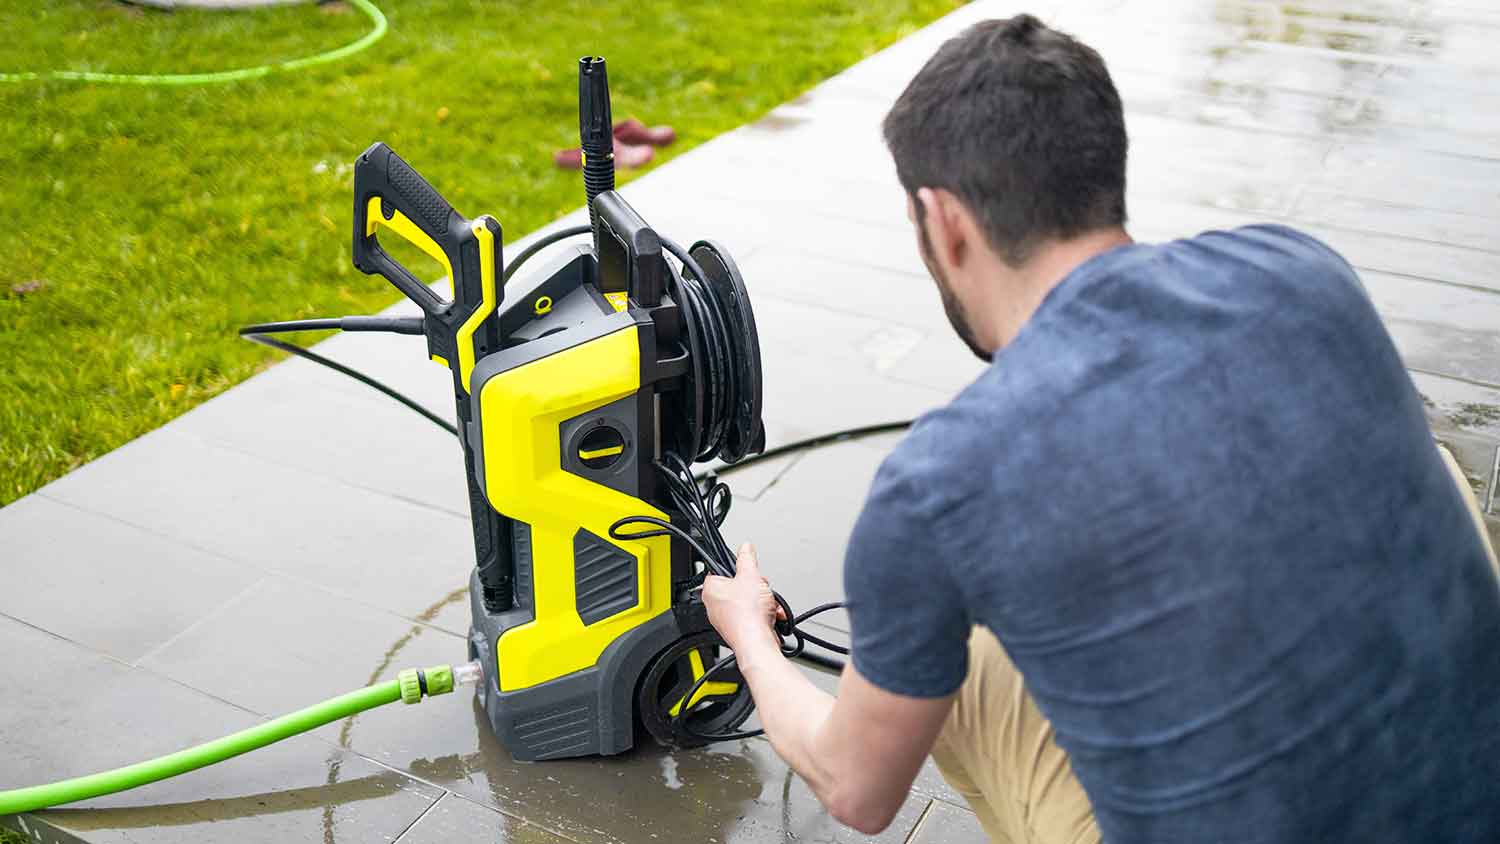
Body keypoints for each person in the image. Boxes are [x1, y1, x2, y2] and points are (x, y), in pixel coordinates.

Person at [701, 13, 1500, 844]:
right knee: (1430, 459)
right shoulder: (1302, 269)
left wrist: (751, 634)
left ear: (943, 221)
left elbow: (856, 792)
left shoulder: (941, 481)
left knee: (949, 663)